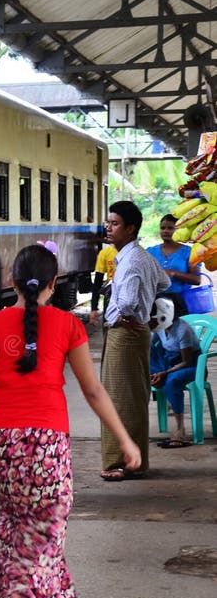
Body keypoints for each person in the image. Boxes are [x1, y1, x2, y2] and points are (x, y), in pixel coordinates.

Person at [0, 244, 141, 598]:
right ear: (55, 283)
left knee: (15, 521)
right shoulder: (67, 326)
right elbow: (93, 391)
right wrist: (125, 438)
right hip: (45, 445)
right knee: (41, 533)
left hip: (1, 442)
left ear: (12, 283)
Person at [100, 201, 171, 481]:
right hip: (137, 332)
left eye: (115, 223)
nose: (108, 227)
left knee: (118, 398)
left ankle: (119, 461)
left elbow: (127, 302)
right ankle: (135, 460)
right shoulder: (141, 256)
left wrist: (131, 311)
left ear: (130, 229)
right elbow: (164, 282)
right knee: (133, 396)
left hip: (125, 332)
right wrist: (146, 305)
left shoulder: (130, 261)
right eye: (109, 222)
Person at [150, 295, 201, 448]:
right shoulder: (159, 328)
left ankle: (180, 429)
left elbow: (187, 361)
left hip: (190, 366)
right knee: (147, 356)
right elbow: (151, 350)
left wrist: (164, 373)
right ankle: (156, 378)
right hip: (168, 362)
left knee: (171, 382)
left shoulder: (182, 329)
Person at [146, 213, 201, 304]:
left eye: (170, 228)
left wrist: (173, 273)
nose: (165, 231)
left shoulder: (189, 252)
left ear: (179, 230)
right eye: (162, 228)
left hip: (181, 301)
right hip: (154, 301)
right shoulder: (150, 251)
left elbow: (197, 280)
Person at [89, 240, 118, 325]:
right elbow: (97, 283)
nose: (109, 229)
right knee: (108, 332)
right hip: (111, 296)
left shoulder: (134, 253)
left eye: (115, 225)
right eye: (109, 225)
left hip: (129, 298)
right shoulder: (105, 253)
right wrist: (94, 308)